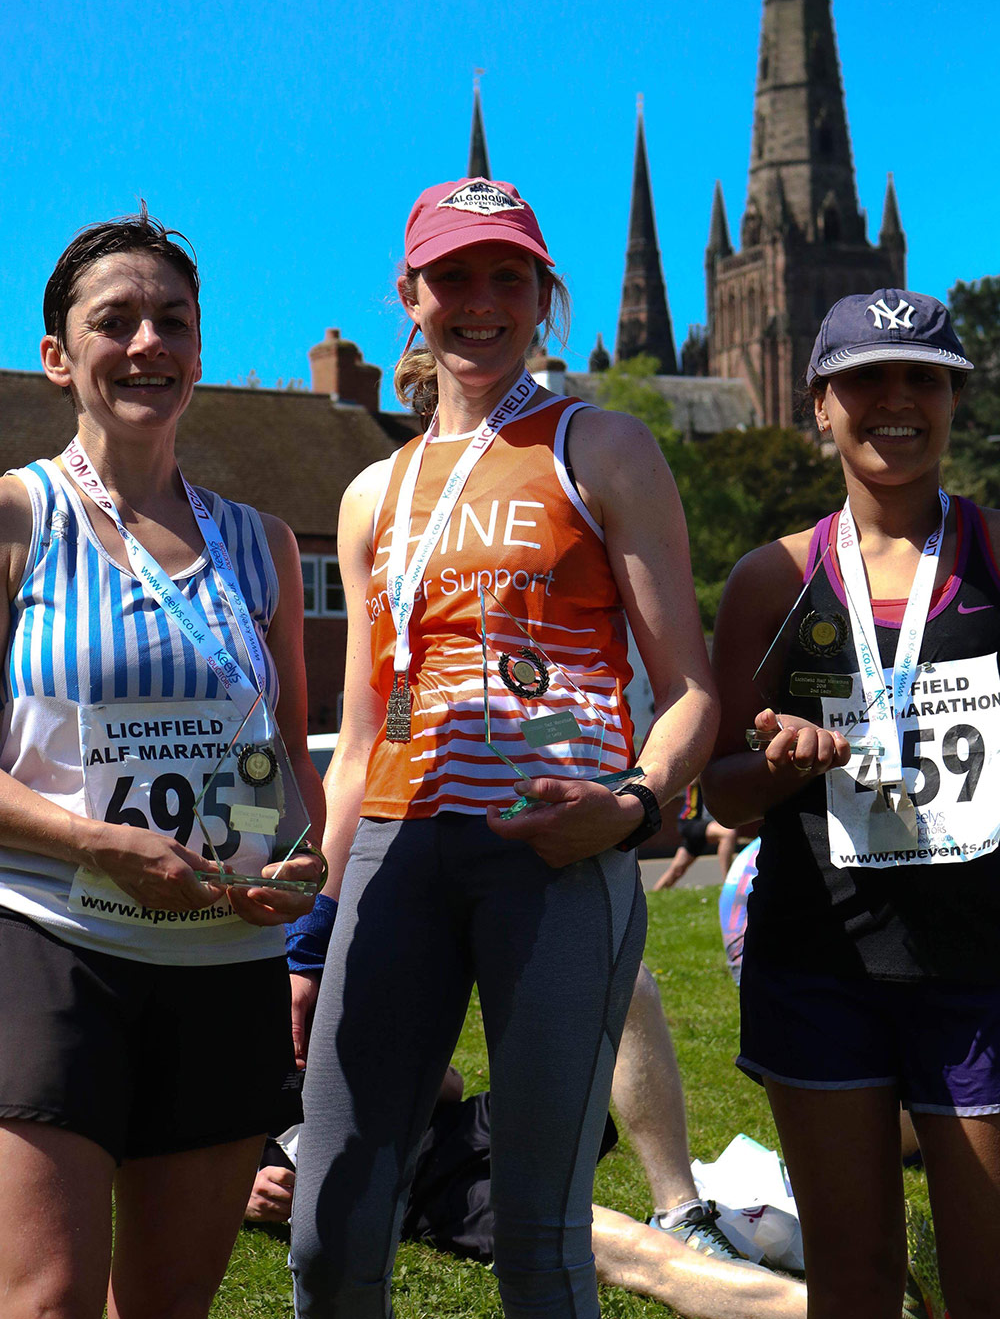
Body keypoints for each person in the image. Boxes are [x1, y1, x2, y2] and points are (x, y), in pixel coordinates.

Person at [289, 177, 718, 1318]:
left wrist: (626, 808)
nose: (480, 302)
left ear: (544, 296)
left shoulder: (602, 446)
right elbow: (361, 732)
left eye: (507, 276)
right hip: (397, 851)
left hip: (557, 863)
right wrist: (313, 932)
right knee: (329, 1237)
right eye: (452, 277)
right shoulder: (372, 492)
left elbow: (688, 693)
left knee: (539, 1239)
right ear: (408, 297)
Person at [0, 211, 325, 1319]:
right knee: (44, 1300)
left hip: (219, 960)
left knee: (167, 1307)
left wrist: (300, 857)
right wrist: (96, 842)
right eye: (115, 321)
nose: (147, 342)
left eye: (171, 321)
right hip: (51, 941)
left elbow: (285, 751)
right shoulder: (14, 516)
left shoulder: (263, 542)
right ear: (58, 357)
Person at [702, 289, 1000, 1319]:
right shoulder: (770, 578)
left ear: (954, 398)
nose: (895, 400)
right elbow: (720, 789)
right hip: (819, 963)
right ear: (817, 403)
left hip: (980, 967)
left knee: (984, 1278)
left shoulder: (998, 558)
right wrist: (779, 763)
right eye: (865, 378)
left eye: (921, 376)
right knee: (853, 1278)